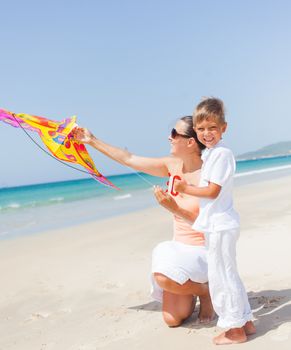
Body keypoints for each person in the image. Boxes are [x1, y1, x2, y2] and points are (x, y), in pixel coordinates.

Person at [72, 116, 214, 327]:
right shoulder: (172, 166)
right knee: (172, 319)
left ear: (191, 142)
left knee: (162, 277)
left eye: (174, 134)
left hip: (204, 251)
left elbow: (211, 224)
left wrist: (175, 209)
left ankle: (205, 291)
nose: (169, 137)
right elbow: (128, 159)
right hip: (180, 249)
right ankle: (199, 287)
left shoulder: (209, 173)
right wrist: (92, 140)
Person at [174, 98, 256, 344]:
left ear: (224, 128)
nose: (206, 134)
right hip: (217, 224)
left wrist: (185, 188)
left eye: (212, 128)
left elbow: (212, 191)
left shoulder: (221, 154)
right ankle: (246, 321)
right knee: (228, 272)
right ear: (195, 132)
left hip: (220, 224)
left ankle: (235, 329)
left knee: (222, 276)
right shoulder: (211, 154)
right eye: (201, 129)